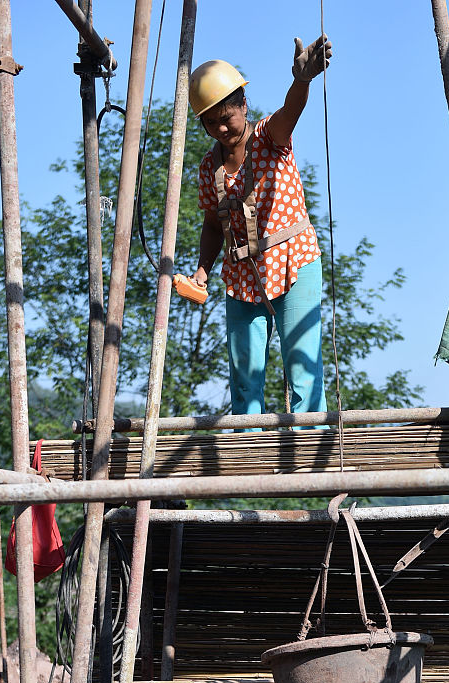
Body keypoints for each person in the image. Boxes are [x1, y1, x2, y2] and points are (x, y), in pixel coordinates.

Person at [188, 36, 332, 418]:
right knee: (245, 378)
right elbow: (213, 226)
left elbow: (291, 110)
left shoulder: (270, 137)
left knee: (302, 369)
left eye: (227, 118)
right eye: (211, 122)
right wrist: (203, 268)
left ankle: (308, 458)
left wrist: (302, 80)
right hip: (242, 276)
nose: (221, 128)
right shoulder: (208, 168)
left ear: (244, 106)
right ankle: (248, 459)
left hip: (293, 262)